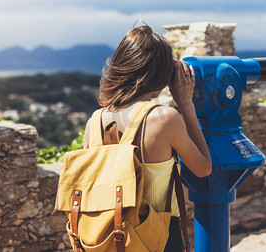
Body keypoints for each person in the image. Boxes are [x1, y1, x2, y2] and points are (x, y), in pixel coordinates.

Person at [82, 23, 212, 251]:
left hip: (106, 237)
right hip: (156, 237)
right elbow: (203, 168)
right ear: (161, 74)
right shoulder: (163, 118)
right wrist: (186, 103)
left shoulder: (94, 121)